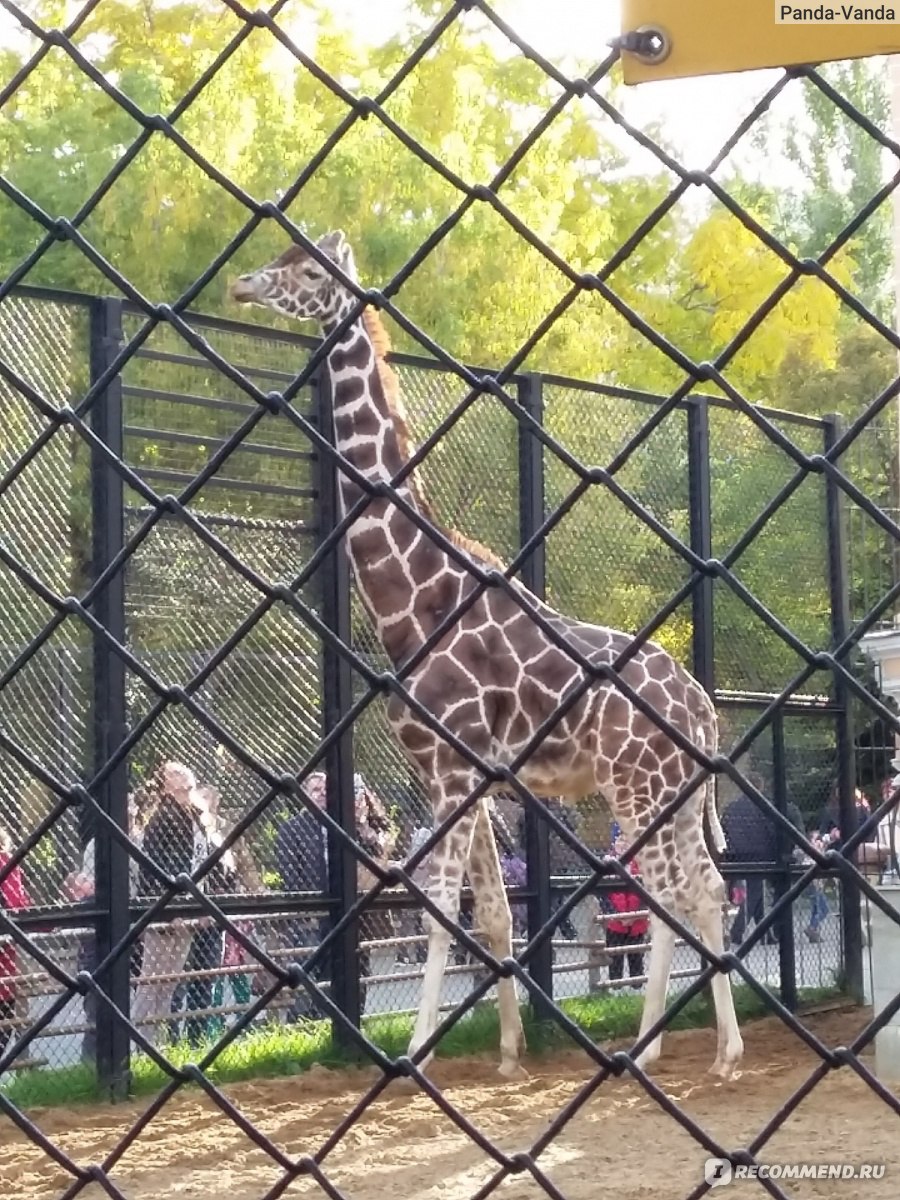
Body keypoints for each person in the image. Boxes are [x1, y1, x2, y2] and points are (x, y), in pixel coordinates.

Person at [274, 771, 329, 1021]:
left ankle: (330, 1019)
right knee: (306, 972)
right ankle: (301, 1024)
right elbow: (289, 875)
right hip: (309, 915)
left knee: (333, 972)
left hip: (337, 913)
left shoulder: (339, 824)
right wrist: (305, 911)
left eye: (326, 790)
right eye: (316, 790)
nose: (322, 795)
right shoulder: (292, 828)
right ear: (305, 795)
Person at [0, 825, 30, 1059]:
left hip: (6, 949)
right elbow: (17, 904)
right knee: (9, 1013)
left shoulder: (6, 862)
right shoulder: (6, 861)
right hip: (6, 951)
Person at [606, 836, 648, 989]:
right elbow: (605, 895)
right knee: (615, 955)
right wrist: (618, 915)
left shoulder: (640, 865)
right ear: (614, 844)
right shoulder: (607, 866)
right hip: (615, 920)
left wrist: (634, 915)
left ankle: (636, 985)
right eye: (619, 840)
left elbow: (645, 893)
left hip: (636, 920)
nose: (623, 845)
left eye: (627, 841)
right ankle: (616, 985)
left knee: (636, 955)